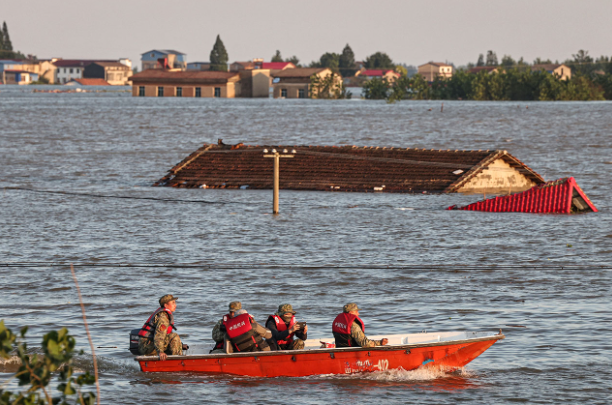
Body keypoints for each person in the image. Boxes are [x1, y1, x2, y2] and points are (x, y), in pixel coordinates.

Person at [138, 294, 184, 360]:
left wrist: (180, 346)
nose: (175, 305)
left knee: (173, 337)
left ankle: (178, 358)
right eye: (173, 303)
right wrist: (160, 352)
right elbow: (159, 336)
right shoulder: (163, 318)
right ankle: (178, 361)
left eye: (175, 303)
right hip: (146, 346)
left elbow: (166, 336)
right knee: (174, 336)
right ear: (165, 305)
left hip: (149, 344)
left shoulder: (165, 315)